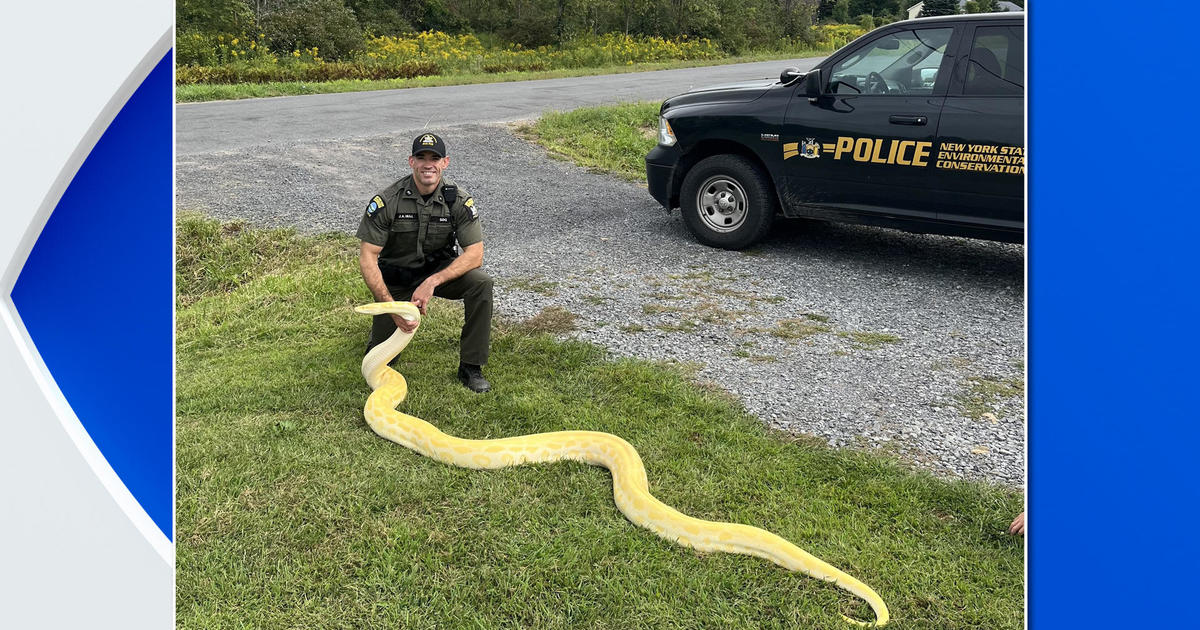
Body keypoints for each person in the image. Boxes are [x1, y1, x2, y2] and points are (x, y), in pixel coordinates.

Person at [356, 132, 493, 393]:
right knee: (380, 361)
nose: (428, 164)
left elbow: (475, 254)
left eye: (435, 158)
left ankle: (471, 367)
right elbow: (368, 257)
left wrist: (432, 282)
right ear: (411, 161)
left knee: (481, 284)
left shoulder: (459, 201)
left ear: (445, 162)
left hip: (437, 272)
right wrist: (390, 307)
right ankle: (383, 331)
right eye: (421, 157)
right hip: (397, 278)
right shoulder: (387, 201)